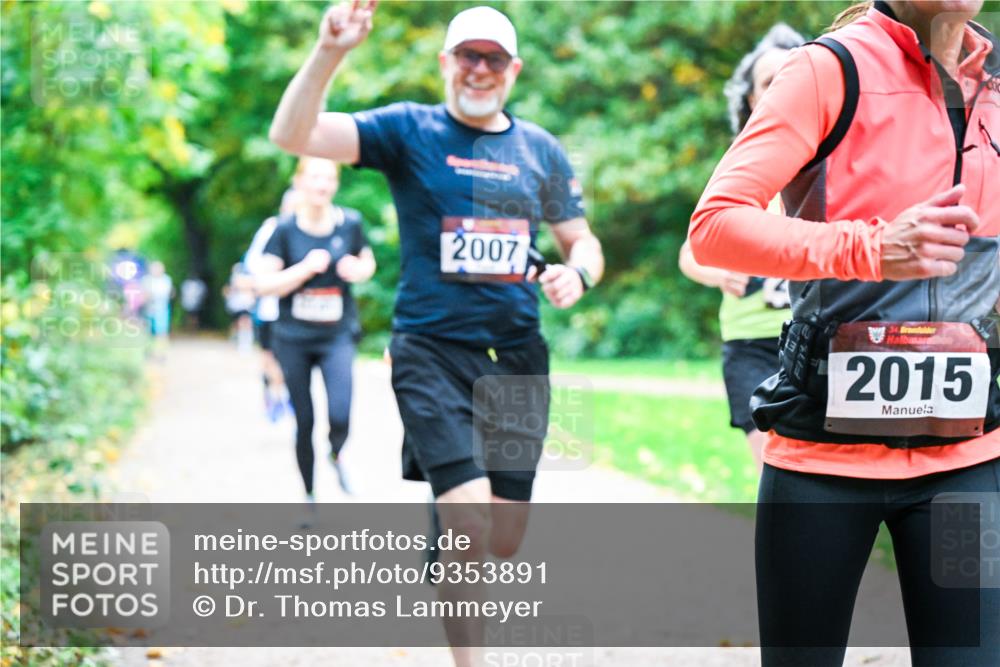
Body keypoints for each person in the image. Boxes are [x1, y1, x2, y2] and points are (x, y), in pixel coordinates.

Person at [269, 4, 604, 664]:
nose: (480, 69)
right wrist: (330, 51)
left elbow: (582, 240)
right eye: (467, 55)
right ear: (446, 62)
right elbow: (292, 135)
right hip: (428, 350)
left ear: (513, 70)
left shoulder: (540, 149)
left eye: (493, 58)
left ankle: (448, 510)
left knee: (504, 535)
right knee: (471, 523)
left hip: (516, 356)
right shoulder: (408, 129)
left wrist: (579, 274)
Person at [689, 1, 999, 665]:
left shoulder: (996, 82)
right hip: (822, 461)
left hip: (967, 459)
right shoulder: (827, 70)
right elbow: (715, 226)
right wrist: (872, 248)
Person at [679, 23, 804, 471]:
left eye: (791, 76)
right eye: (769, 82)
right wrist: (718, 272)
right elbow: (690, 253)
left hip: (813, 337)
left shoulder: (833, 166)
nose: (781, 88)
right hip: (750, 343)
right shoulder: (737, 170)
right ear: (750, 98)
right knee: (773, 464)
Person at [254, 156, 376, 514]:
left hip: (336, 335)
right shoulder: (284, 229)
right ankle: (309, 495)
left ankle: (337, 453)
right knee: (304, 421)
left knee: (340, 413)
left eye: (329, 178)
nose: (322, 184)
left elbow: (367, 261)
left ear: (335, 184)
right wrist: (304, 269)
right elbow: (264, 284)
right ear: (300, 182)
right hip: (293, 338)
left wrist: (359, 270)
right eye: (315, 177)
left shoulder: (350, 223)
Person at [244, 189, 297, 422]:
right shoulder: (270, 229)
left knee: (289, 357)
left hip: (296, 310)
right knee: (269, 355)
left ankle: (282, 395)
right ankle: (274, 394)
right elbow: (253, 263)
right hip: (270, 308)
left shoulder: (309, 230)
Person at [141, 260, 173, 358]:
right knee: (147, 332)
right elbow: (143, 294)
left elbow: (165, 293)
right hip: (148, 310)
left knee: (161, 332)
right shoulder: (146, 280)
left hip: (161, 309)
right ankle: (149, 352)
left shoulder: (166, 280)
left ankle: (161, 353)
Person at [223, 262, 257, 354]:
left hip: (245, 305)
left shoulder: (247, 279)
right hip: (237, 305)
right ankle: (239, 340)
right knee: (238, 324)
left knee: (245, 322)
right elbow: (226, 291)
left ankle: (245, 343)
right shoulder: (232, 280)